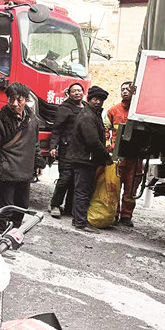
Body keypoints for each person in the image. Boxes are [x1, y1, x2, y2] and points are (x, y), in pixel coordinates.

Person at [0, 82, 45, 229]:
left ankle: (14, 234)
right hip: (7, 171)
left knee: (22, 206)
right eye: (11, 99)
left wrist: (38, 161)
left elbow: (34, 142)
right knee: (5, 208)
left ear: (26, 100)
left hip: (25, 171)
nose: (15, 103)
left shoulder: (32, 119)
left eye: (19, 100)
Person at [67, 86, 112, 232]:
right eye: (95, 99)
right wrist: (106, 156)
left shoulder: (92, 113)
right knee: (82, 191)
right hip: (84, 159)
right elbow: (92, 141)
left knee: (81, 190)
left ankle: (77, 219)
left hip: (84, 158)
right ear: (89, 99)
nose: (98, 102)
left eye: (101, 100)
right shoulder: (88, 116)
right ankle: (81, 223)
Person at [107, 81, 144, 227]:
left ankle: (126, 215)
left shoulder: (140, 112)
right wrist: (109, 146)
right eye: (122, 89)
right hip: (118, 156)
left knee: (131, 188)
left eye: (128, 89)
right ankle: (114, 213)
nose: (125, 92)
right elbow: (105, 129)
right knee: (114, 187)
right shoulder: (113, 111)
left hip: (135, 157)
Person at [48, 82, 84, 218]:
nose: (77, 93)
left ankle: (69, 208)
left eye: (79, 90)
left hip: (80, 150)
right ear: (69, 94)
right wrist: (53, 146)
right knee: (65, 177)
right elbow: (57, 129)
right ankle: (55, 205)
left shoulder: (86, 108)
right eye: (74, 91)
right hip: (66, 148)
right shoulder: (64, 108)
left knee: (75, 179)